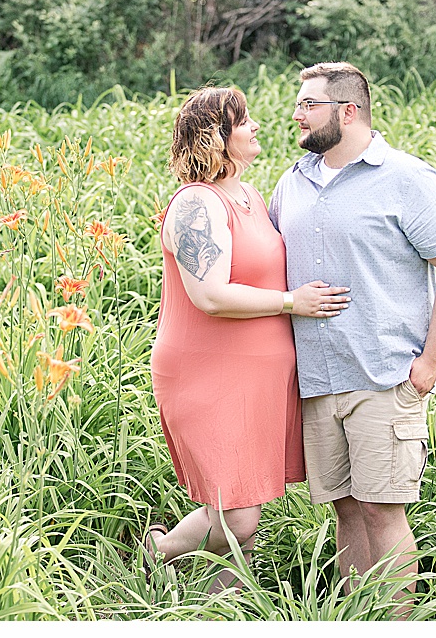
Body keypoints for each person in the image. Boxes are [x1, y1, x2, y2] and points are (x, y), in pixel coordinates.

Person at [269, 62, 436, 604]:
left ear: (348, 111)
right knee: (345, 506)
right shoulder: (293, 181)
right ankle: (356, 616)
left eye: (308, 104)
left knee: (383, 509)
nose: (296, 115)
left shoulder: (408, 179)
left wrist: (427, 365)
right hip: (316, 376)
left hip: (384, 374)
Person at [145, 86, 351, 588]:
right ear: (215, 137)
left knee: (242, 509)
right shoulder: (198, 203)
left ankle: (227, 608)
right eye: (244, 121)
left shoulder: (250, 195)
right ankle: (163, 550)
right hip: (207, 372)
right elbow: (210, 294)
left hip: (258, 377)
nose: (256, 125)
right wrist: (291, 302)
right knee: (238, 515)